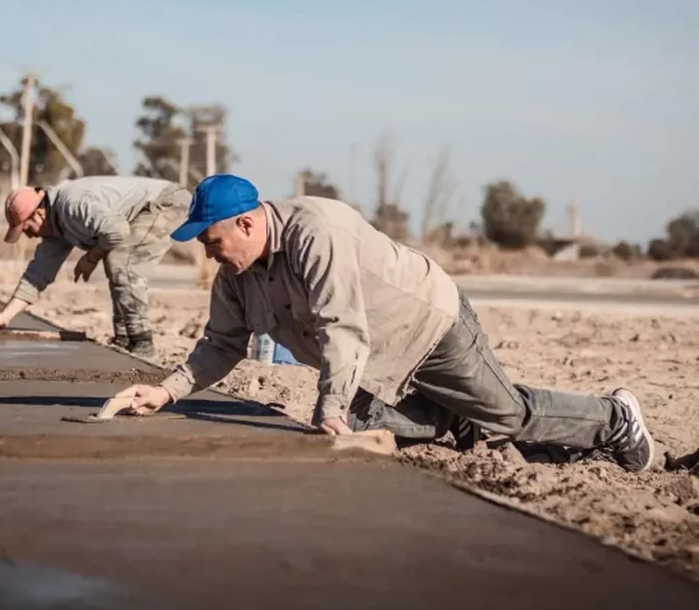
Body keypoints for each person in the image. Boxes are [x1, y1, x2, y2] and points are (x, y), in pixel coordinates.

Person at [112, 173, 657, 472]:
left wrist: (329, 411)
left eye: (212, 241)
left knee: (507, 416)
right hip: (375, 360)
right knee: (379, 422)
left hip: (429, 328)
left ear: (248, 223)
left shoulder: (316, 233)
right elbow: (221, 343)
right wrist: (166, 393)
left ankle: (614, 419)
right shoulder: (238, 273)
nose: (209, 255)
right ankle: (457, 419)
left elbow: (341, 327)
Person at [0, 175, 192, 359]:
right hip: (140, 212)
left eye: (27, 229)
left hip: (166, 202)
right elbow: (36, 276)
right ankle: (124, 337)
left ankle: (142, 343)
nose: (28, 236)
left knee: (122, 261)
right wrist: (4, 317)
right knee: (116, 259)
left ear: (39, 214)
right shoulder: (55, 230)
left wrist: (91, 257)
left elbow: (117, 231)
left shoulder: (72, 205)